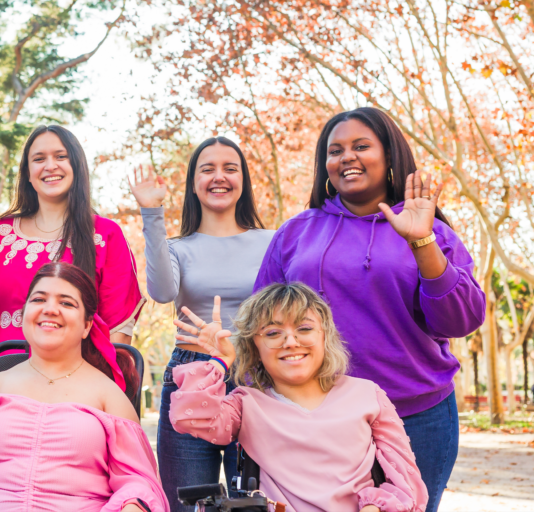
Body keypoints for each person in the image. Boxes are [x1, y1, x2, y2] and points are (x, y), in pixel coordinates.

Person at [254, 107, 485, 511]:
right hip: (316, 416)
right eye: (336, 150)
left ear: (390, 155)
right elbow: (262, 324)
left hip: (418, 412)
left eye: (362, 146)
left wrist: (421, 242)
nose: (347, 157)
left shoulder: (433, 233)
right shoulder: (296, 233)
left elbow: (461, 320)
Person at [0, 262, 167, 512]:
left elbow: (140, 481)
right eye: (39, 300)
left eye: (66, 303)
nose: (50, 309)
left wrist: (133, 505)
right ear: (25, 313)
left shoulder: (108, 395)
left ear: (87, 325)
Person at [170, 283, 428, 512]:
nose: (290, 341)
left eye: (304, 328)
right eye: (272, 333)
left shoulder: (367, 394)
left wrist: (374, 506)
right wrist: (220, 361)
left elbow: (406, 482)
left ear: (325, 336)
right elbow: (189, 418)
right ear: (254, 347)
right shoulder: (245, 404)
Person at [129, 139, 273, 509]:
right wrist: (151, 213)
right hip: (191, 376)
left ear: (244, 180)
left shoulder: (272, 242)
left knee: (254, 503)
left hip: (254, 377)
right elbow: (162, 292)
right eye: (207, 169)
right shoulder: (177, 247)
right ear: (194, 183)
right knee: (188, 504)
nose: (219, 177)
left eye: (230, 168)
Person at [0, 125, 144, 390]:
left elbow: (118, 330)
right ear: (28, 174)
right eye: (39, 159)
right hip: (0, 382)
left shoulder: (105, 234)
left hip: (77, 389)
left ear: (77, 166)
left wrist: (100, 395)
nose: (50, 165)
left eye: (60, 156)